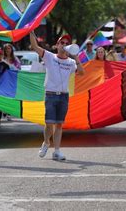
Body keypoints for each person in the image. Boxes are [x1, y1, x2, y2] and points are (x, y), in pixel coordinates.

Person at [30, 32, 85, 160]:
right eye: (62, 43)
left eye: (66, 43)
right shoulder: (49, 56)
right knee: (49, 123)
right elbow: (34, 46)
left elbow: (82, 72)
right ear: (57, 45)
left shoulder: (71, 62)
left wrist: (76, 58)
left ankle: (57, 151)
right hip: (50, 94)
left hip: (63, 96)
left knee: (59, 124)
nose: (64, 45)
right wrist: (31, 32)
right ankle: (46, 142)